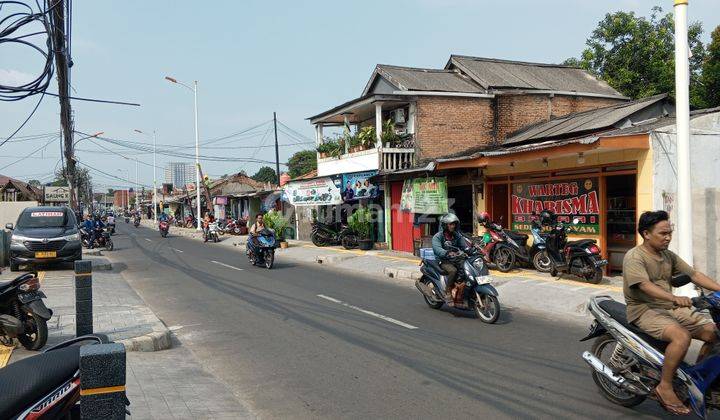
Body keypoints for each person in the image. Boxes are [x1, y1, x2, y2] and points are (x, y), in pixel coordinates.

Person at [623, 210, 720, 415]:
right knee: (681, 337)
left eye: (669, 233)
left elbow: (693, 274)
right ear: (646, 234)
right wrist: (674, 298)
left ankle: (693, 380)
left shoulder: (667, 255)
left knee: (714, 333)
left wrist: (719, 289)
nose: (668, 237)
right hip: (643, 309)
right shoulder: (634, 257)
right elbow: (645, 286)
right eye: (662, 233)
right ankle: (665, 386)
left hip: (668, 308)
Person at [431, 213, 466, 302]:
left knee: (466, 269)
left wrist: (471, 250)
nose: (453, 226)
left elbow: (464, 245)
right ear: (445, 225)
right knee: (453, 270)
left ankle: (461, 288)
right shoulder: (438, 237)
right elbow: (437, 249)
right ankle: (448, 291)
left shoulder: (456, 235)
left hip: (455, 259)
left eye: (454, 224)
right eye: (451, 224)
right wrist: (447, 253)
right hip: (443, 260)